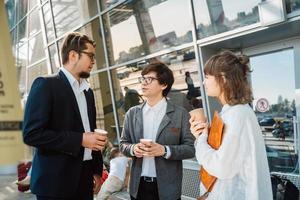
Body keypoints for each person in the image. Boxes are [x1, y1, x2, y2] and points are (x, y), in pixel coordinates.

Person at [22, 32, 107, 200]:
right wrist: (80, 140)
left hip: (84, 179)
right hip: (55, 184)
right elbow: (31, 134)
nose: (93, 61)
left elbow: (89, 132)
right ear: (73, 55)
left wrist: (97, 171)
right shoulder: (45, 84)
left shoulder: (88, 92)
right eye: (90, 56)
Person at [190, 51, 273, 200]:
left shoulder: (237, 114)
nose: (203, 82)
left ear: (223, 78)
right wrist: (202, 134)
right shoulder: (232, 112)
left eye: (207, 77)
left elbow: (221, 167)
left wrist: (201, 140)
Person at [120, 62, 195, 200]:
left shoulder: (180, 114)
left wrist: (165, 150)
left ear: (164, 85)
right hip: (138, 188)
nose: (144, 83)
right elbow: (123, 144)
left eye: (149, 79)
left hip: (168, 189)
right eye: (142, 79)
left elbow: (190, 148)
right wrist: (133, 148)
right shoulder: (132, 113)